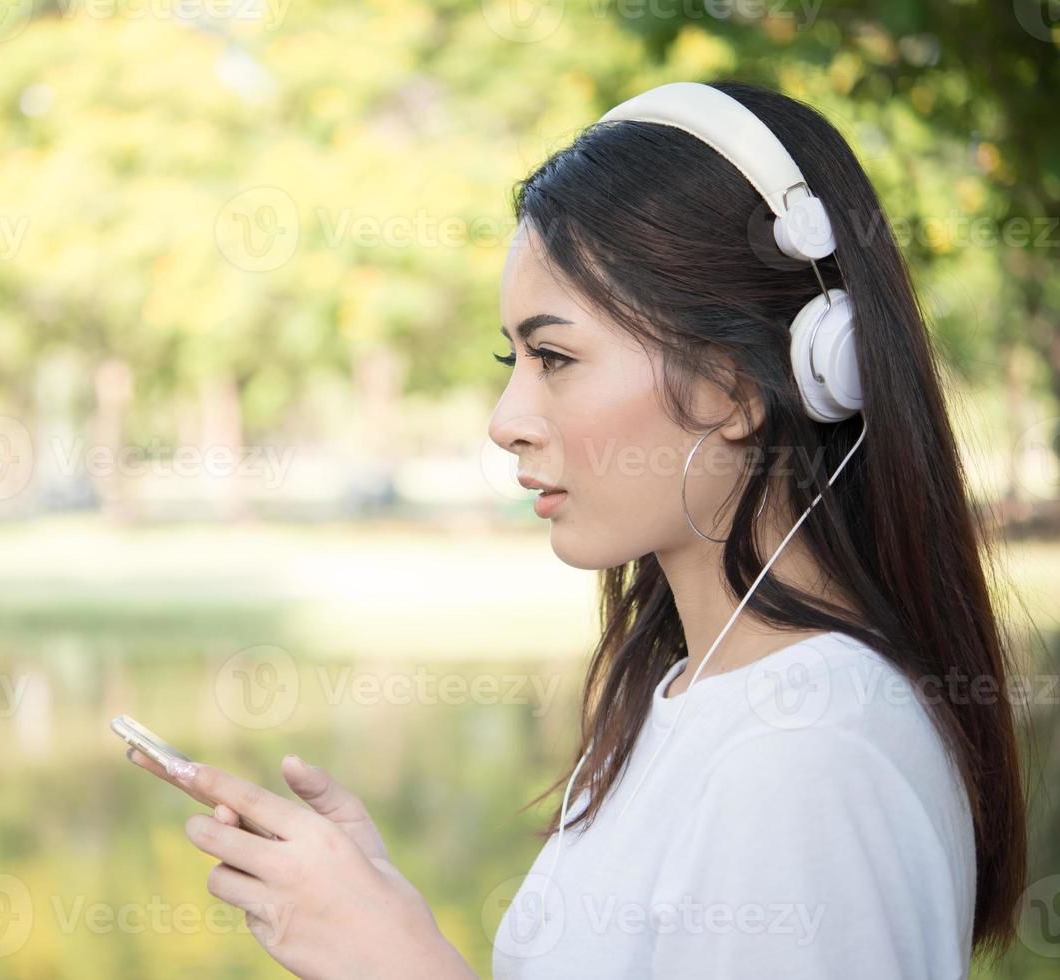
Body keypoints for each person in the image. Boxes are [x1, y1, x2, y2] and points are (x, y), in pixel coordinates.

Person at [126, 79, 1027, 978]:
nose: (504, 417)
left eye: (553, 357)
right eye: (509, 357)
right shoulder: (691, 696)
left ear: (738, 386)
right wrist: (385, 919)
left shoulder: (808, 757)